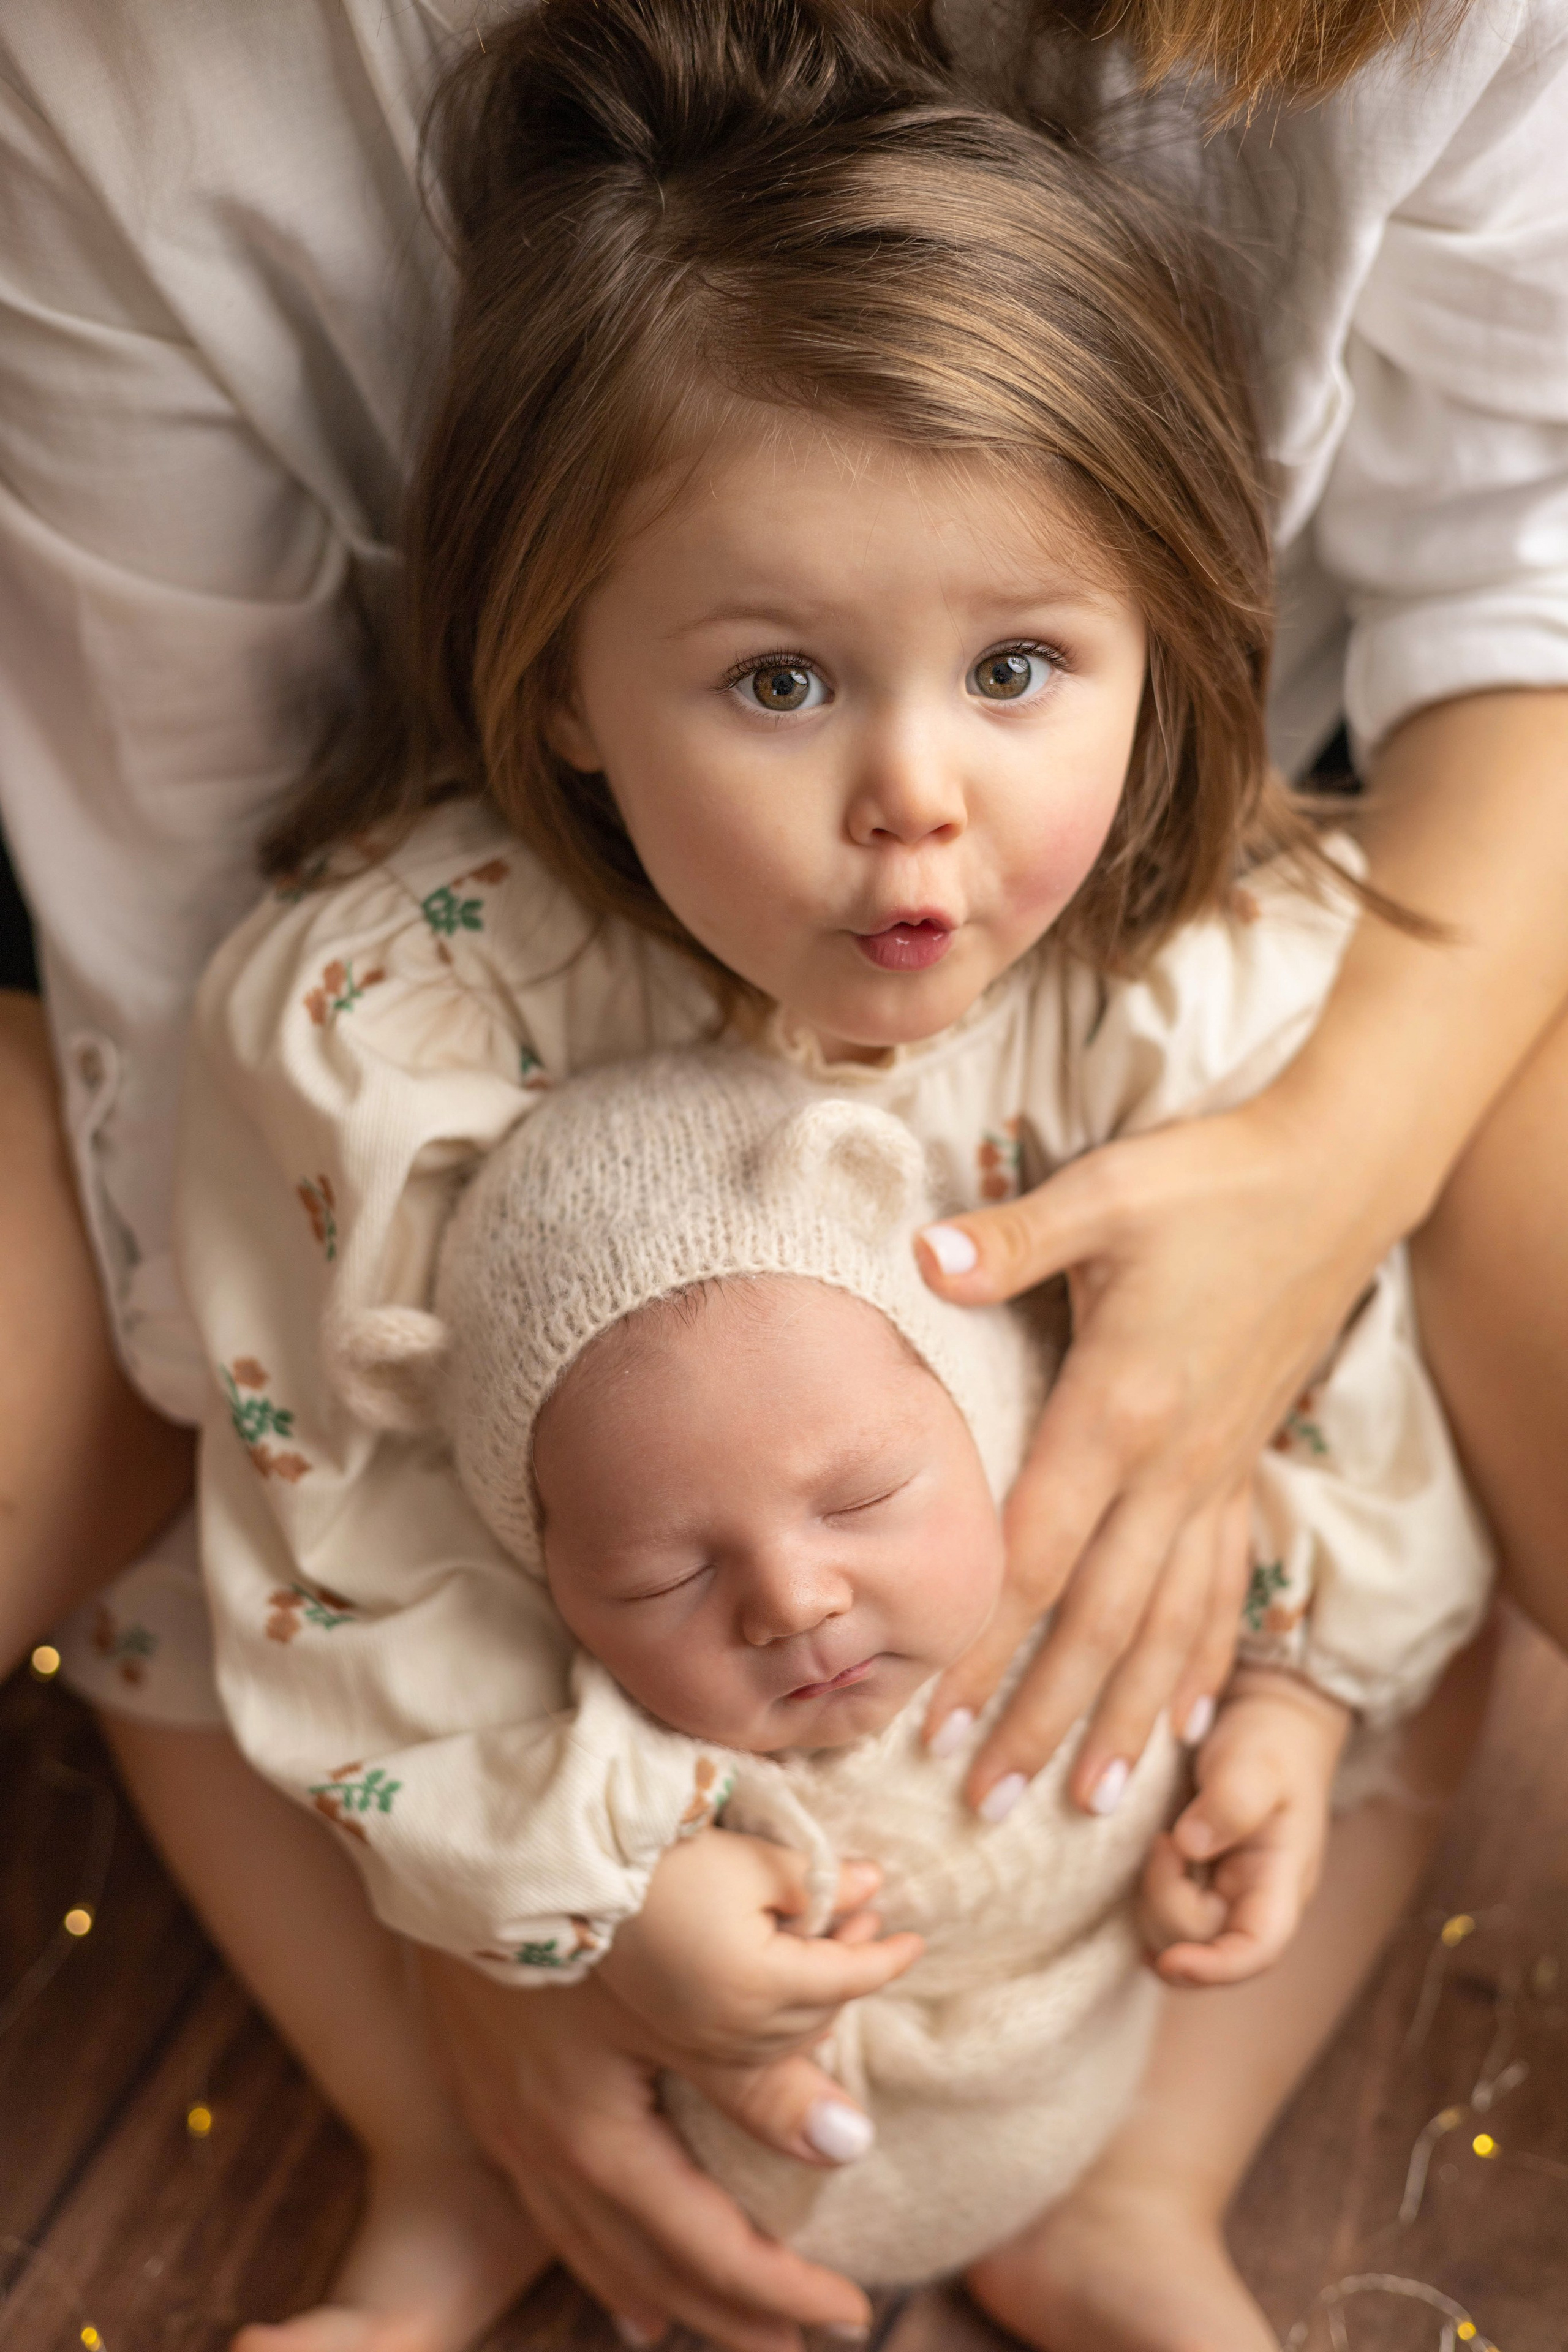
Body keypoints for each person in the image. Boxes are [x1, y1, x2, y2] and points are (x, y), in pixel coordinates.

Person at [0, 0, 1562, 2340]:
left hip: (1071, 1829)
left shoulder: (1210, 972)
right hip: (595, 1748)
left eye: (1021, 669)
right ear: (557, 683)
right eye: (781, 684)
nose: (917, 802)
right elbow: (312, 1483)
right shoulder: (393, 1023)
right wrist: (541, 1890)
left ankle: (1136, 2187)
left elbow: (1340, 1387)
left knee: (1404, 1441)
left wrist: (1302, 1685)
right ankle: (444, 2181)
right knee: (170, 1616)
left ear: (1169, 626)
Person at [169, 1036, 1481, 2347]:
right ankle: (419, 2277)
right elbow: (444, 1789)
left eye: (860, 1499)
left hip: (1098, 2051)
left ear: (972, 1403)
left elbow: (1329, 1534)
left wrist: (1283, 1723)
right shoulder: (597, 1740)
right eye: (661, 1580)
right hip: (675, 2123)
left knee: (1388, 1680)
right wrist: (621, 1911)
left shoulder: (1090, 1506)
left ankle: (1136, 2202)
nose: (791, 1601)